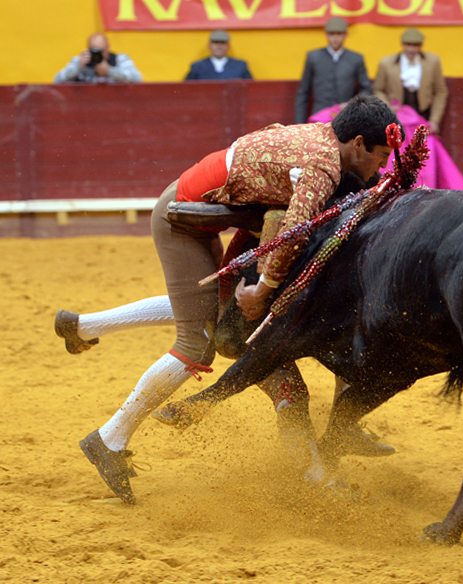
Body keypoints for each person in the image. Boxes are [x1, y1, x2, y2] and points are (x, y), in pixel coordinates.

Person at [59, 95, 400, 505]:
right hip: (180, 221)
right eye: (381, 156)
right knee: (197, 342)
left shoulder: (321, 140)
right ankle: (109, 439)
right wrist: (260, 289)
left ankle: (83, 326)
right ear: (358, 143)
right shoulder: (324, 167)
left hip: (197, 212)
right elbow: (291, 230)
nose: (381, 167)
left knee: (207, 312)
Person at [294, 17, 372, 124]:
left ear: (345, 35)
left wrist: (351, 104)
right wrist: (299, 124)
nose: (335, 38)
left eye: (339, 34)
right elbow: (303, 92)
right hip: (319, 115)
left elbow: (366, 89)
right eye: (331, 34)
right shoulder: (313, 57)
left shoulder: (356, 59)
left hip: (346, 115)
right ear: (326, 34)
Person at [373, 28, 449, 135]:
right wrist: (388, 107)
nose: (411, 49)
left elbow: (440, 91)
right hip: (397, 114)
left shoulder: (433, 62)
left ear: (421, 45)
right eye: (408, 45)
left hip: (423, 113)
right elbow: (378, 89)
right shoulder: (387, 63)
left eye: (415, 45)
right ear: (402, 44)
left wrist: (434, 120)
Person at [54, 33, 142, 84]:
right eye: (94, 51)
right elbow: (57, 80)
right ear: (88, 49)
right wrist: (78, 68)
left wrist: (109, 71)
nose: (98, 55)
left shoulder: (120, 59)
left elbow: (137, 79)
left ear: (108, 48)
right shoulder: (80, 61)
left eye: (101, 51)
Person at [184, 29, 253, 81]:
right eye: (215, 42)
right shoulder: (198, 67)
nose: (219, 46)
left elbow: (250, 89)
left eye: (223, 43)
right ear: (209, 46)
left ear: (228, 46)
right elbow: (186, 89)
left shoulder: (240, 66)